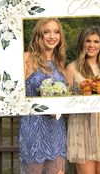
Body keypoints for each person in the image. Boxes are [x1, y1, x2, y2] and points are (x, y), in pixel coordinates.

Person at [18, 18, 67, 174]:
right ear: (39, 35)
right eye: (46, 32)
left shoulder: (59, 62)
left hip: (56, 129)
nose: (52, 36)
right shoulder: (26, 58)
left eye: (56, 31)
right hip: (33, 128)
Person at [66, 25, 100, 174]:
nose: (92, 45)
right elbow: (65, 100)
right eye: (88, 41)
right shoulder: (72, 68)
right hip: (81, 124)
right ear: (82, 43)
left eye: (96, 41)